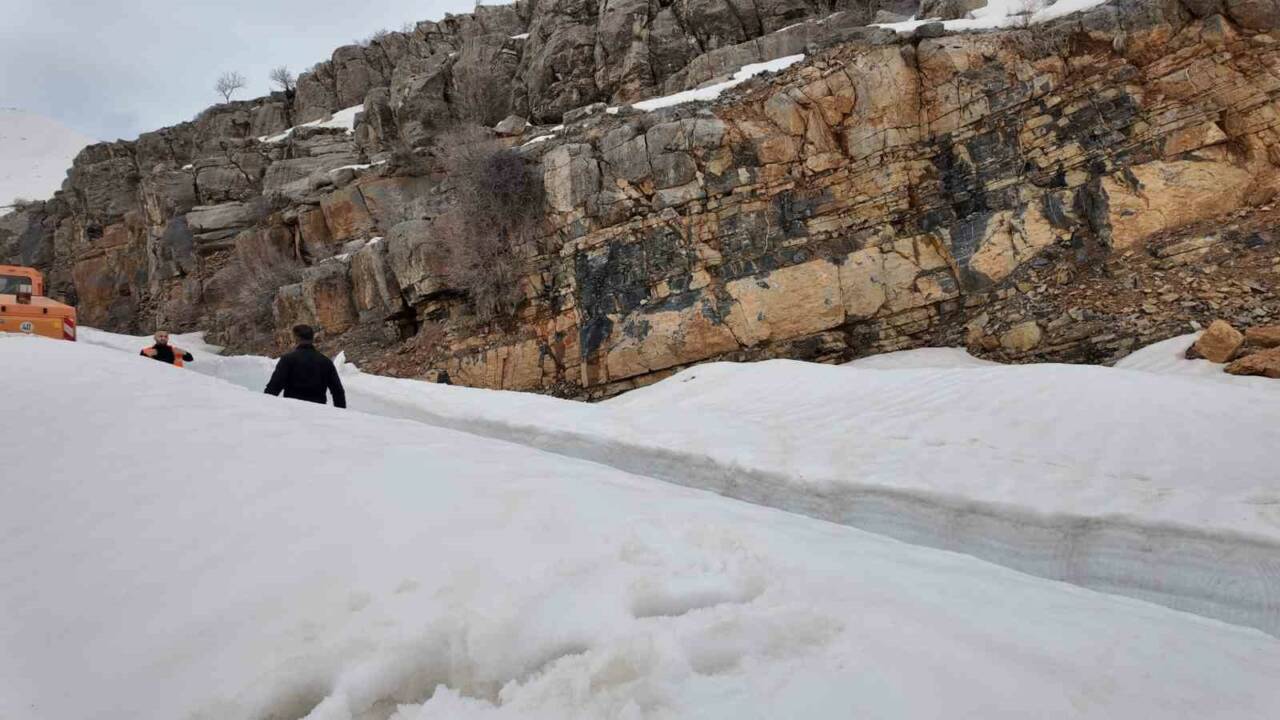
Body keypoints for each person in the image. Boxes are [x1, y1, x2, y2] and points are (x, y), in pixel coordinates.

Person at [264, 324, 347, 408]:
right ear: (312, 338)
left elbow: (274, 387)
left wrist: (265, 408)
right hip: (319, 412)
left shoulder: (287, 360)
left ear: (296, 338)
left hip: (293, 411)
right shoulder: (325, 362)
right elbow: (337, 391)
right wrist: (341, 415)